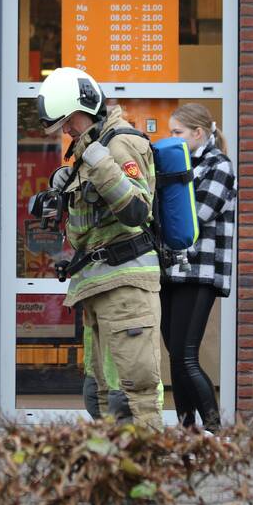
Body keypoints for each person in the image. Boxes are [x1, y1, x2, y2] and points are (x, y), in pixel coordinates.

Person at [35, 67, 163, 431]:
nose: (65, 130)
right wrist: (63, 186)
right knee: (101, 395)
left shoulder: (119, 145)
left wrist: (101, 164)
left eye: (67, 121)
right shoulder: (91, 150)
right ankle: (114, 471)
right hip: (98, 286)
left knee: (133, 394)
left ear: (85, 107)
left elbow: (138, 210)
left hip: (125, 286)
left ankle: (146, 471)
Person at [161, 103, 236, 434]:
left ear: (199, 133)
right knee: (176, 356)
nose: (172, 138)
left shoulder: (219, 166)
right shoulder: (183, 165)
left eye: (177, 132)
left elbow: (197, 215)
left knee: (187, 355)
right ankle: (187, 429)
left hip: (201, 271)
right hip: (172, 270)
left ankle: (215, 430)